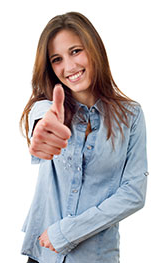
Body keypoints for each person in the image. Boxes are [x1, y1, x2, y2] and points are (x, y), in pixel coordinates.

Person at [20, 11, 148, 263]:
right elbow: (43, 122)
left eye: (76, 51)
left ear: (94, 49)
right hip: (43, 256)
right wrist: (43, 130)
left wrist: (66, 232)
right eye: (57, 59)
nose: (69, 67)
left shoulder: (131, 115)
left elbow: (133, 192)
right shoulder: (46, 108)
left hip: (95, 257)